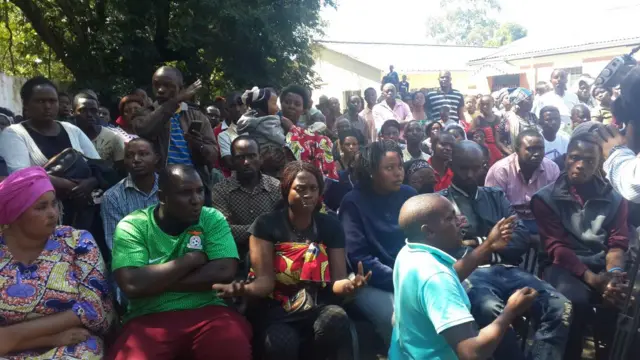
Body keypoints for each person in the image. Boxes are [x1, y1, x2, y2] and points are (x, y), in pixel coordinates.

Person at [215, 161, 366, 360]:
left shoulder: (330, 225)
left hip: (318, 304)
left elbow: (336, 281)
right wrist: (243, 289)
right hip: (277, 308)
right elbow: (264, 282)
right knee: (281, 343)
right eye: (300, 189)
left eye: (313, 188)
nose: (308, 194)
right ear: (286, 190)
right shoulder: (266, 225)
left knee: (336, 318)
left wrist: (349, 285)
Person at [442, 140, 571, 360]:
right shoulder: (441, 203)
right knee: (493, 311)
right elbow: (450, 250)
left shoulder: (495, 196)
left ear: (485, 165)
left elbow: (520, 238)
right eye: (464, 167)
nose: (471, 174)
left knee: (561, 306)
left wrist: (474, 243)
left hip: (507, 270)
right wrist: (491, 242)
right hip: (470, 274)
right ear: (451, 164)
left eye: (477, 167)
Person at [108, 164, 252, 359]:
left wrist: (154, 282)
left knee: (230, 347)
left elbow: (224, 270)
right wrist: (190, 260)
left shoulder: (211, 218)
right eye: (185, 193)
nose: (196, 200)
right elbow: (132, 284)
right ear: (162, 197)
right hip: (149, 317)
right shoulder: (133, 226)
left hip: (209, 311)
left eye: (200, 191)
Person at [390, 194, 538, 360]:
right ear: (428, 231)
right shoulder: (436, 278)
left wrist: (488, 245)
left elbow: (451, 275)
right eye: (450, 219)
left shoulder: (409, 253)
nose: (461, 222)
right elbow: (471, 353)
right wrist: (510, 311)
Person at [532, 128, 629, 360]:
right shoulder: (545, 198)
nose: (579, 165)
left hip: (602, 261)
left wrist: (613, 276)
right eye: (574, 157)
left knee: (623, 301)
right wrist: (594, 281)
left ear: (599, 163)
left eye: (589, 160)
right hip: (563, 265)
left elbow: (617, 243)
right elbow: (557, 248)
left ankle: (610, 351)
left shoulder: (615, 197)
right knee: (573, 303)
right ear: (566, 157)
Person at [0, 167, 114, 359]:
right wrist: (47, 339)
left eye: (54, 204)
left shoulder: (76, 242)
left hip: (71, 346)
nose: (53, 213)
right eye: (41, 207)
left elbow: (96, 309)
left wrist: (13, 334)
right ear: (14, 214)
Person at [340, 140, 417, 345]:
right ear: (372, 171)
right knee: (395, 320)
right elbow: (359, 257)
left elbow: (424, 239)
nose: (398, 173)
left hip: (412, 273)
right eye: (389, 168)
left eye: (400, 166)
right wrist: (398, 279)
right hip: (370, 279)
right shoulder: (353, 201)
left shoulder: (408, 195)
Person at [0, 77, 104, 229]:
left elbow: (98, 163)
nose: (48, 106)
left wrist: (90, 183)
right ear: (26, 105)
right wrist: (70, 186)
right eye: (40, 101)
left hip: (83, 211)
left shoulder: (71, 129)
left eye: (52, 101)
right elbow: (22, 175)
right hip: (42, 217)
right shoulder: (14, 133)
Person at [132, 66, 217, 195]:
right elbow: (145, 130)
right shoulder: (144, 113)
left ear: (181, 88)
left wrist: (198, 145)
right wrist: (176, 100)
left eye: (167, 85)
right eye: (156, 85)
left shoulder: (196, 115)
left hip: (193, 185)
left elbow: (213, 155)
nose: (160, 90)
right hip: (158, 187)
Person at [211, 135, 281, 260]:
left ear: (260, 158)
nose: (246, 162)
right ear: (232, 161)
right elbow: (223, 230)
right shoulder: (221, 190)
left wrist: (240, 230)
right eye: (240, 157)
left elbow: (281, 226)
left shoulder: (276, 187)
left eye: (252, 156)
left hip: (271, 255)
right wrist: (264, 228)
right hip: (232, 256)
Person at [485, 130, 560, 233]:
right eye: (530, 149)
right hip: (509, 224)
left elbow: (555, 204)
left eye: (540, 149)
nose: (537, 154)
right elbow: (494, 210)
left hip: (541, 221)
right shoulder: (500, 170)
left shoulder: (552, 168)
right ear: (516, 150)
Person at [101, 137, 159, 251]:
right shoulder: (112, 197)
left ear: (156, 158)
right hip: (134, 262)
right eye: (129, 156)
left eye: (143, 154)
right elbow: (116, 244)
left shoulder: (170, 187)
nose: (136, 159)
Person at [282, 85, 338, 180]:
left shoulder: (312, 136)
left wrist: (292, 129)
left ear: (304, 109)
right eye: (287, 102)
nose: (291, 106)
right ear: (281, 104)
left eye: (297, 104)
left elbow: (309, 162)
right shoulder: (269, 128)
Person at [237, 86, 286, 178]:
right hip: (269, 153)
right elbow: (277, 137)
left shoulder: (250, 120)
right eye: (274, 103)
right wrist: (287, 141)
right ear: (261, 107)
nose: (277, 108)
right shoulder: (266, 122)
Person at [73, 92, 126, 171]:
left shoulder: (113, 138)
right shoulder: (67, 135)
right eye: (83, 110)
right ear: (72, 112)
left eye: (93, 110)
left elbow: (121, 172)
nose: (89, 114)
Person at [470, 95, 505, 164]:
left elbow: (499, 140)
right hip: (483, 151)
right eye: (483, 104)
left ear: (493, 104)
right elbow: (471, 137)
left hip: (497, 150)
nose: (485, 107)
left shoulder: (498, 119)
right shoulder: (477, 120)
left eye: (487, 104)